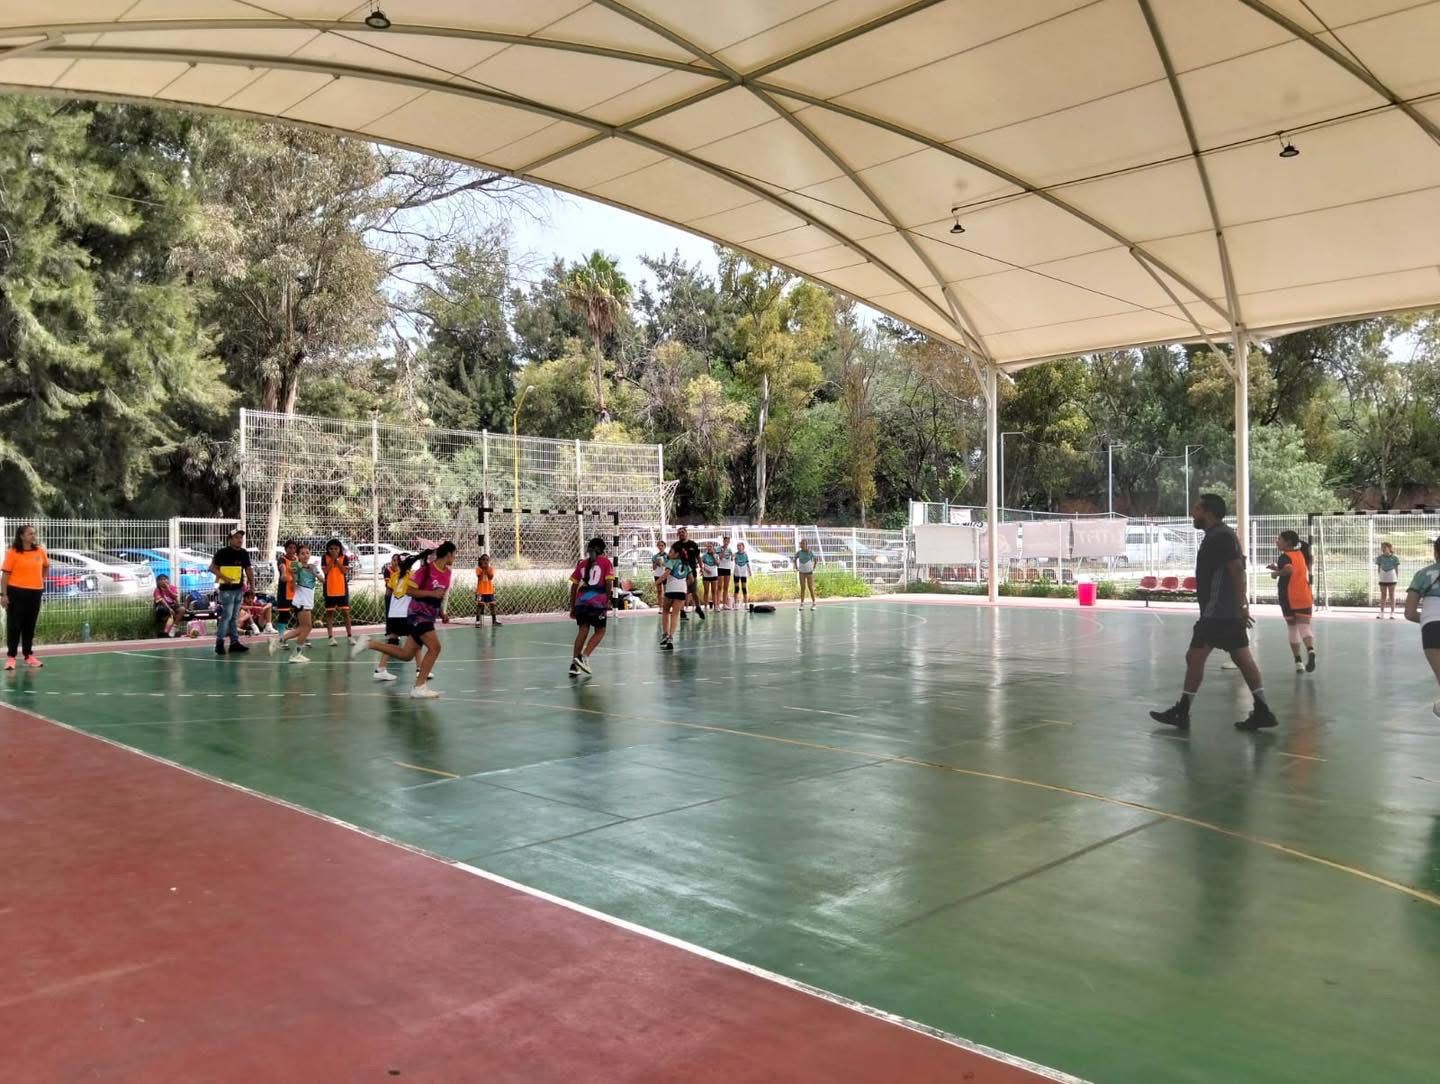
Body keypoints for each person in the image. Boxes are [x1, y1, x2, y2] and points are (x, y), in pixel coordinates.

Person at [1150, 494, 1278, 732]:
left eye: (1196, 509)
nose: (1193, 513)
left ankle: (1182, 711)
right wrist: (1239, 605)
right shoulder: (1221, 535)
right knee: (1241, 658)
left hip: (1218, 612)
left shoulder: (1220, 536)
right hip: (1224, 611)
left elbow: (1237, 569)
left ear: (1207, 512)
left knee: (1195, 655)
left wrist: (1242, 604)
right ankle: (1262, 710)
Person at [353, 541, 454, 698]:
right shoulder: (426, 570)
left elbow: (438, 596)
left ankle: (369, 643)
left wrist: (441, 612)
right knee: (435, 647)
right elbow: (410, 591)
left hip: (429, 616)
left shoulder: (447, 573)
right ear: (448, 554)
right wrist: (431, 594)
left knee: (406, 655)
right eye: (454, 554)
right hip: (417, 614)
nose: (454, 557)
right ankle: (420, 686)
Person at [1268, 530, 1315, 674]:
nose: (1277, 541)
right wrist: (1277, 568)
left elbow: (1289, 570)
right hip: (1304, 596)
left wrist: (1276, 573)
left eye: (1279, 539)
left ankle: (1298, 661)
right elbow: (1294, 570)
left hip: (1289, 598)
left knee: (1293, 628)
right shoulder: (1301, 554)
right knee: (1304, 627)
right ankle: (1311, 650)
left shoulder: (1284, 556)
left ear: (1287, 542)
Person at [1, 524, 49, 669]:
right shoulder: (13, 552)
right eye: (30, 534)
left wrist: (40, 580)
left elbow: (46, 566)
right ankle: (11, 657)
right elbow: (5, 576)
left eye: (34, 533)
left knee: (30, 625)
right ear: (21, 536)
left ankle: (28, 656)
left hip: (35, 593)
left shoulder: (40, 551)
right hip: (16, 592)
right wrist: (3, 595)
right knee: (14, 626)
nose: (33, 536)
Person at [1403, 536, 1440, 717]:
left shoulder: (1422, 574)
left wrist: (1428, 619)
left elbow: (1410, 613)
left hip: (1432, 629)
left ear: (1436, 552)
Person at [568, 536, 615, 675]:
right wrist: (607, 599)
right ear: (602, 550)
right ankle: (584, 656)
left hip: (581, 600)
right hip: (597, 601)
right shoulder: (606, 562)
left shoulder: (582, 564)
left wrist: (573, 606)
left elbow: (574, 585)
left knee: (583, 630)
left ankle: (574, 665)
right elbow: (609, 582)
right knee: (600, 630)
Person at [209, 528, 254, 656]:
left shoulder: (244, 553)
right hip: (226, 590)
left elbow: (248, 569)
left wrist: (252, 586)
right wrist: (225, 578)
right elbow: (212, 568)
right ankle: (219, 643)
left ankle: (234, 643)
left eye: (241, 538)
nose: (240, 540)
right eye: (236, 537)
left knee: (234, 617)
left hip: (239, 589)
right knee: (227, 616)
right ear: (230, 539)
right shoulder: (222, 552)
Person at [272, 543, 318, 663]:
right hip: (301, 600)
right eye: (302, 553)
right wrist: (294, 575)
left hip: (307, 600)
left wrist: (315, 572)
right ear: (298, 556)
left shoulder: (312, 567)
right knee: (307, 627)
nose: (305, 555)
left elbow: (323, 580)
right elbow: (293, 586)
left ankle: (280, 640)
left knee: (303, 627)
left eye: (307, 553)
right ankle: (296, 653)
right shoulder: (297, 567)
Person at [320, 538, 354, 646]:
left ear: (340, 549)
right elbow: (325, 571)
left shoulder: (345, 558)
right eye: (331, 549)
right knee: (329, 613)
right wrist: (332, 560)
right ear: (327, 549)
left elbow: (344, 571)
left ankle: (350, 636)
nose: (333, 551)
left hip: (342, 590)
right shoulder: (324, 558)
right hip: (329, 590)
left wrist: (337, 560)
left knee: (346, 613)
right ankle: (331, 637)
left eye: (336, 548)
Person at [659, 541, 691, 650]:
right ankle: (671, 637)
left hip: (671, 590)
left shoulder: (671, 562)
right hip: (681, 591)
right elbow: (691, 579)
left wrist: (656, 582)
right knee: (675, 614)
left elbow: (666, 573)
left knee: (665, 610)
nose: (669, 553)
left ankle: (665, 634)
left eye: (671, 551)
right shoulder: (686, 564)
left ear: (677, 554)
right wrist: (683, 584)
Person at [676, 526, 704, 622]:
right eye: (679, 532)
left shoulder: (693, 544)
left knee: (694, 592)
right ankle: (682, 612)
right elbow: (673, 557)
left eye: (683, 532)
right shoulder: (677, 546)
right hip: (681, 572)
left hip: (692, 571)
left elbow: (698, 557)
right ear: (678, 535)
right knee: (683, 592)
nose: (681, 534)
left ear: (686, 533)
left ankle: (698, 608)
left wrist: (702, 568)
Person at [273, 539, 297, 636]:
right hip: (284, 592)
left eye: (294, 548)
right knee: (284, 615)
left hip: (296, 591)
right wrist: (283, 574)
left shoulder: (297, 560)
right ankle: (281, 636)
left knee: (300, 614)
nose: (292, 550)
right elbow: (282, 567)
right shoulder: (282, 559)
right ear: (285, 549)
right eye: (290, 548)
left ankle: (301, 636)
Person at [1376, 541, 1401, 620]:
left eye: (1385, 547)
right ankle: (1381, 612)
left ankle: (1392, 613)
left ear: (1389, 548)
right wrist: (1380, 577)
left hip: (1392, 577)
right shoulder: (1379, 558)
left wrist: (1396, 578)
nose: (1383, 549)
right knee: (1383, 595)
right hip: (1383, 577)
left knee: (1391, 595)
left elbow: (1396, 569)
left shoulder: (1395, 558)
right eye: (1382, 547)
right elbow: (1378, 569)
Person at [474, 554, 501, 625]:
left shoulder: (491, 569)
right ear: (480, 561)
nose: (485, 561)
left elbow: (490, 577)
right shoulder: (478, 569)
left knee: (492, 605)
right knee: (479, 605)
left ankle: (494, 620)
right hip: (480, 592)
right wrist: (483, 568)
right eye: (483, 560)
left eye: (487, 560)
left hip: (489, 591)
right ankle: (477, 621)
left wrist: (486, 569)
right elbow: (479, 577)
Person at [794, 540, 818, 609]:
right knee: (803, 588)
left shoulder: (810, 552)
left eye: (803, 544)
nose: (802, 545)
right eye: (801, 544)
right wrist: (796, 567)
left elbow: (815, 559)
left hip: (809, 572)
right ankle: (802, 604)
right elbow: (795, 559)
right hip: (802, 572)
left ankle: (814, 603)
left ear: (806, 545)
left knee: (810, 587)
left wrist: (814, 567)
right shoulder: (799, 553)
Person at [651, 541, 668, 629]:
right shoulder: (655, 556)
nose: (660, 547)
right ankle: (660, 607)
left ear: (664, 546)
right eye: (659, 546)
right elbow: (653, 568)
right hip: (657, 575)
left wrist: (663, 563)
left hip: (664, 575)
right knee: (659, 591)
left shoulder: (667, 556)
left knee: (666, 592)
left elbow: (669, 565)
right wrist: (656, 563)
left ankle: (666, 607)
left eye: (662, 545)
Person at [700, 541, 720, 611]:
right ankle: (705, 607)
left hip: (714, 575)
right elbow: (701, 565)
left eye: (710, 546)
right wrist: (705, 569)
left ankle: (715, 607)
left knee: (714, 591)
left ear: (713, 548)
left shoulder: (716, 555)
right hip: (706, 576)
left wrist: (714, 556)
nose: (709, 548)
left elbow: (718, 564)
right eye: (708, 547)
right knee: (706, 591)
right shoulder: (704, 555)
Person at [717, 535, 734, 610]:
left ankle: (724, 604)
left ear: (729, 542)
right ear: (723, 541)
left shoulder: (730, 549)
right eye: (725, 541)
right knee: (719, 586)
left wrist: (732, 556)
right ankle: (717, 604)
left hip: (727, 568)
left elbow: (731, 559)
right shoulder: (719, 548)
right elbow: (720, 557)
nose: (726, 542)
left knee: (726, 587)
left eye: (728, 541)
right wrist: (724, 549)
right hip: (721, 568)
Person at [733, 541, 751, 609]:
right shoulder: (735, 554)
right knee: (737, 588)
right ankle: (736, 604)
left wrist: (749, 571)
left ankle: (746, 604)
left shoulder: (745, 554)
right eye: (738, 546)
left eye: (740, 546)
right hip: (737, 572)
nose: (739, 547)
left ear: (743, 547)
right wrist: (732, 556)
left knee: (744, 588)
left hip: (743, 573)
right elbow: (732, 559)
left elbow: (747, 563)